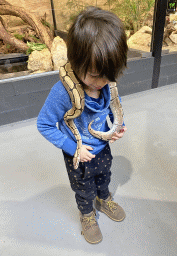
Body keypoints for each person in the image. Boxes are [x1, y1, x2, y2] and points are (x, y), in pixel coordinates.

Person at [37, 6, 128, 244]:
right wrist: (72, 147)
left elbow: (112, 106)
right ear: (76, 63)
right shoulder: (62, 93)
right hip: (78, 154)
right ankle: (87, 213)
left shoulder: (106, 82)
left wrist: (117, 126)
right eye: (96, 75)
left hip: (102, 147)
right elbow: (44, 125)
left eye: (110, 74)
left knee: (104, 177)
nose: (104, 82)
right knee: (83, 188)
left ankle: (104, 198)